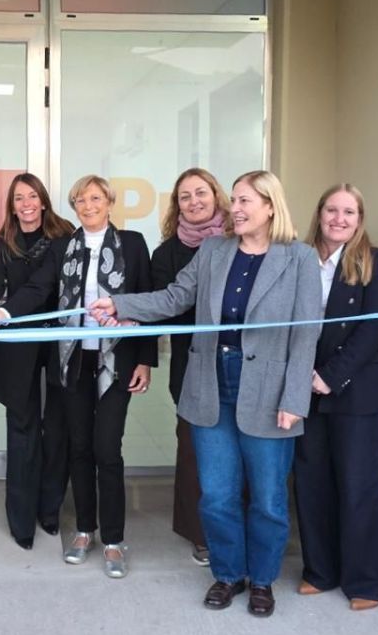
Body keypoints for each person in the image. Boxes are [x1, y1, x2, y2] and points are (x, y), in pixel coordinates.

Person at [89, 170, 320, 615]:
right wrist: (121, 305)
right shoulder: (214, 250)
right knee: (216, 495)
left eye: (246, 200)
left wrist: (295, 399)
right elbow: (175, 297)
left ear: (271, 205)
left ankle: (263, 581)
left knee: (270, 498)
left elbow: (306, 335)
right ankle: (229, 574)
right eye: (233, 199)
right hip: (211, 384)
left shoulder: (299, 259)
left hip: (270, 392)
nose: (236, 208)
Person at [0, 174, 157, 579]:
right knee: (78, 448)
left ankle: (113, 539)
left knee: (107, 450)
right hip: (73, 363)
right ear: (73, 206)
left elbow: (146, 301)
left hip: (116, 364)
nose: (88, 206)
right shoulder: (63, 246)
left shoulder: (133, 244)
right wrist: (0, 314)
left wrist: (145, 360)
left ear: (109, 201)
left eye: (95, 198)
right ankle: (85, 530)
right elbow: (38, 290)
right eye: (80, 200)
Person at [294, 184, 378, 611]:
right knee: (312, 484)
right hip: (302, 389)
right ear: (319, 214)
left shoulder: (376, 261)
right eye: (332, 210)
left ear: (360, 219)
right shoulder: (297, 258)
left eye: (349, 212)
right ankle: (321, 571)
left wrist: (331, 377)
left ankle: (367, 581)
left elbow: (374, 328)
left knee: (361, 488)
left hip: (355, 391)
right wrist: (302, 377)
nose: (339, 218)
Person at [0, 173, 74, 550]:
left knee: (57, 428)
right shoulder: (1, 242)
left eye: (32, 196)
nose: (26, 203)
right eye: (18, 198)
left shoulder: (65, 236)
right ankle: (21, 520)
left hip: (58, 340)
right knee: (22, 428)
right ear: (12, 205)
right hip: (18, 344)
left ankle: (49, 510)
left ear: (43, 200)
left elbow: (43, 285)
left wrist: (3, 313)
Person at [150, 167, 230, 566]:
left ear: (217, 196)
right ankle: (201, 535)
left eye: (201, 193)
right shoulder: (165, 254)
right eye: (185, 196)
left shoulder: (240, 243)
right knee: (195, 452)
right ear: (176, 205)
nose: (194, 201)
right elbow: (166, 311)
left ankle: (235, 530)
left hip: (238, 366)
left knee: (235, 452)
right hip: (190, 366)